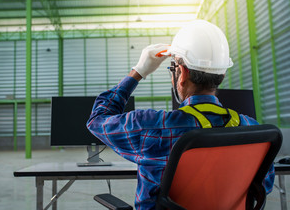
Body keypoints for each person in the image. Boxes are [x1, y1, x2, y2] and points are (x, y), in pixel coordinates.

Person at [86, 20, 275, 209]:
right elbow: (263, 185)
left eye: (172, 70)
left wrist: (139, 71)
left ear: (182, 74)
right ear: (222, 75)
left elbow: (97, 119)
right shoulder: (255, 131)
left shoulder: (151, 127)